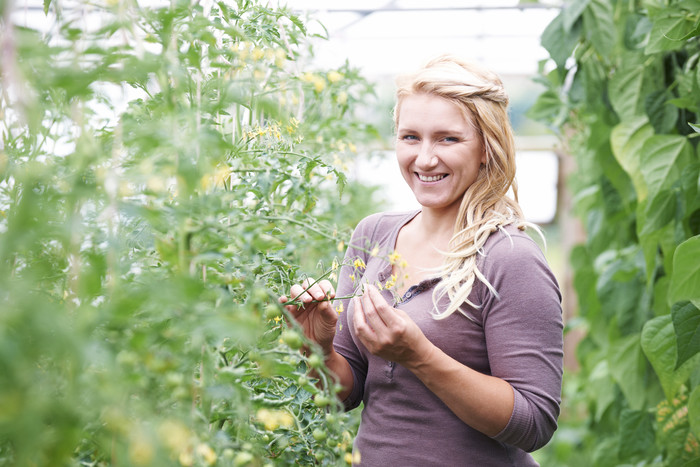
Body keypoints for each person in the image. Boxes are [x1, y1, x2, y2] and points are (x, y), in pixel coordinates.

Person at [280, 54, 563, 466]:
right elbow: (343, 394)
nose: (425, 159)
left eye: (448, 139)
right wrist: (318, 350)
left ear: (487, 147)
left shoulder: (509, 258)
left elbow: (534, 422)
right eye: (410, 137)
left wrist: (418, 355)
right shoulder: (374, 236)